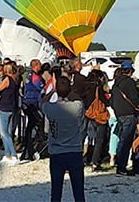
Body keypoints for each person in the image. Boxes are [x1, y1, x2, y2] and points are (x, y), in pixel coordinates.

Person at [44, 73, 88, 202]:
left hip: (57, 152)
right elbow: (79, 100)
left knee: (56, 192)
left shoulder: (50, 108)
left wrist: (53, 90)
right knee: (79, 192)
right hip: (74, 150)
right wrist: (69, 90)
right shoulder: (76, 107)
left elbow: (43, 102)